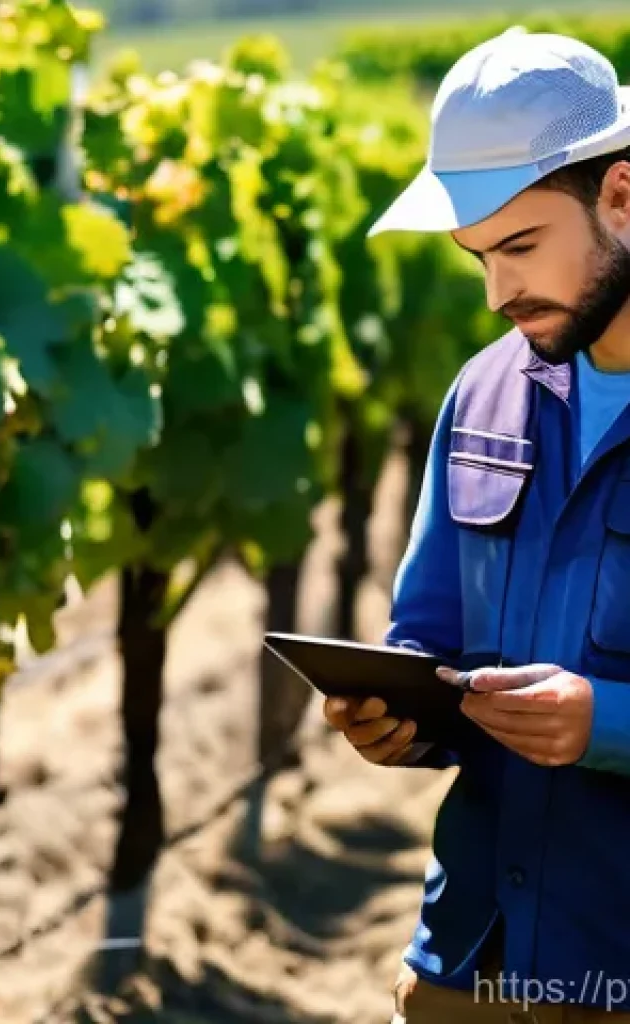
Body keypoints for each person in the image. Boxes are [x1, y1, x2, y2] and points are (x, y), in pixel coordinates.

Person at [325, 26, 630, 1024]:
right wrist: (393, 716)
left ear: (621, 197)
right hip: (467, 966)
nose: (498, 293)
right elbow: (430, 633)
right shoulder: (482, 392)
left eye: (520, 246)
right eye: (475, 258)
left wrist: (609, 723)